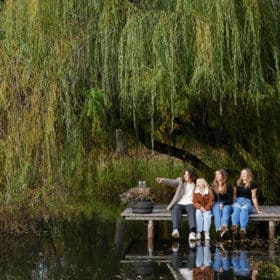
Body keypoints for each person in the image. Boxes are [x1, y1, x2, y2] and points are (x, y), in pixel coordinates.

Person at [156, 169, 197, 241]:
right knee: (175, 208)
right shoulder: (180, 181)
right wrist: (163, 180)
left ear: (192, 175)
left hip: (190, 203)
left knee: (191, 210)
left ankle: (192, 232)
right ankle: (175, 230)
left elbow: (204, 188)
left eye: (187, 174)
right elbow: (173, 182)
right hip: (180, 203)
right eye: (185, 174)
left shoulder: (196, 183)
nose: (185, 176)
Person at [231, 168, 263, 239]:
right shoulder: (237, 183)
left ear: (248, 174)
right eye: (242, 173)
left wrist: (257, 210)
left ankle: (243, 229)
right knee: (236, 208)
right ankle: (235, 226)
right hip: (237, 201)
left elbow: (254, 198)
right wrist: (232, 203)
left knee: (244, 209)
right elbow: (234, 195)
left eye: (245, 173)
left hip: (247, 202)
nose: (243, 175)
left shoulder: (252, 184)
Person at [212, 169, 233, 238]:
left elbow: (230, 199)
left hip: (227, 203)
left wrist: (223, 204)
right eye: (216, 174)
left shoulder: (228, 185)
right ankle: (218, 229)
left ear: (223, 175)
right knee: (217, 212)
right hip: (216, 203)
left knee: (225, 210)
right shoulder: (213, 185)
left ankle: (224, 226)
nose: (217, 176)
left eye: (218, 174)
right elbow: (212, 198)